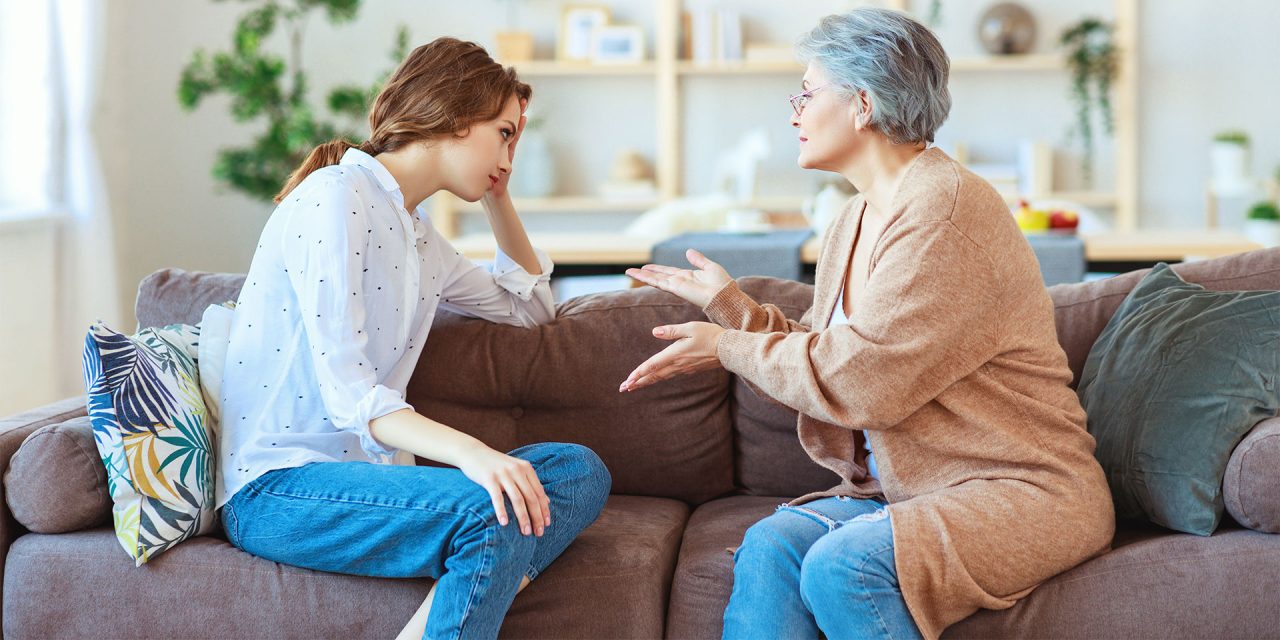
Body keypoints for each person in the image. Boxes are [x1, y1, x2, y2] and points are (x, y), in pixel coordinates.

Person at [621, 8, 1113, 640]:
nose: (793, 111)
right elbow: (842, 356)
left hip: (1024, 490)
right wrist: (731, 309)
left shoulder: (942, 215)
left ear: (861, 104)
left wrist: (729, 346)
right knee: (772, 547)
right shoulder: (855, 216)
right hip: (915, 491)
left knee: (843, 567)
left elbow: (862, 386)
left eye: (806, 92)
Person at [216, 37, 611, 640]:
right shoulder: (334, 198)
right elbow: (350, 396)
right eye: (505, 133)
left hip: (368, 484)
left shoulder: (419, 236)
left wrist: (498, 197)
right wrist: (474, 455)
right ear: (456, 118)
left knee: (577, 470)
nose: (511, 153)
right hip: (278, 488)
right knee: (493, 507)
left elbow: (529, 311)